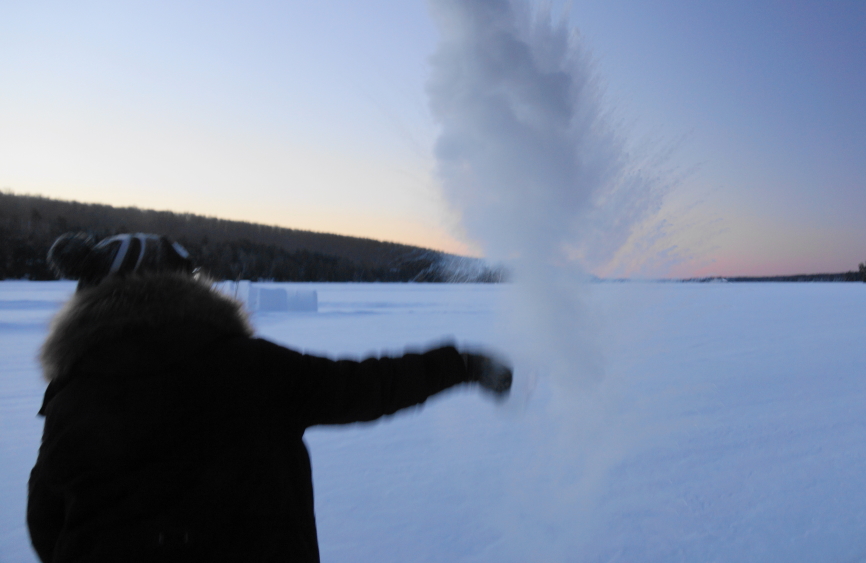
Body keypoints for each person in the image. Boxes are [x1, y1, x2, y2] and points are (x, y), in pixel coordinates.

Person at [28, 232, 512, 562]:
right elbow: (365, 386)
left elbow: (45, 522)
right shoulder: (245, 367)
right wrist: (461, 364)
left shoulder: (73, 394)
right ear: (185, 288)